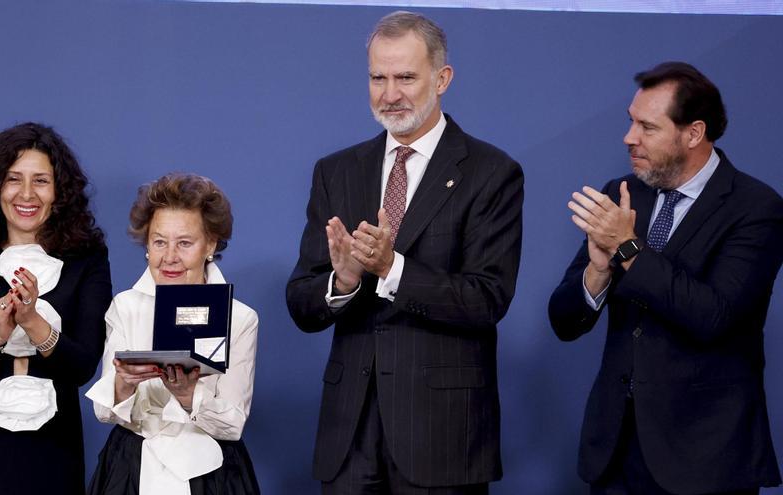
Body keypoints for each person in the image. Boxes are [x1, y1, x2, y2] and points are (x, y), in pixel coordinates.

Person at [286, 11, 523, 494]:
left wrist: (390, 268)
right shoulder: (337, 171)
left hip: (441, 439)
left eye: (405, 77)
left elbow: (486, 299)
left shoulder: (491, 172)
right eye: (378, 77)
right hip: (349, 438)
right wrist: (345, 281)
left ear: (442, 78)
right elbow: (303, 304)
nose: (389, 93)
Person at [548, 61, 783, 494]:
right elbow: (564, 322)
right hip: (615, 452)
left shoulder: (755, 208)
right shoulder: (622, 193)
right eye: (630, 122)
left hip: (704, 458)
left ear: (693, 133)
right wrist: (598, 272)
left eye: (647, 127)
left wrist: (628, 249)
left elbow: (713, 315)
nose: (629, 138)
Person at [0, 122, 112, 494]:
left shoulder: (88, 261)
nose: (26, 194)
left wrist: (32, 322)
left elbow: (82, 367)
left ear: (59, 191)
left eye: (41, 181)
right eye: (14, 179)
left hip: (51, 453)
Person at [86, 173, 259, 495]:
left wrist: (187, 396)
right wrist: (122, 385)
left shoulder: (240, 318)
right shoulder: (126, 306)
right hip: (130, 468)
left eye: (184, 243)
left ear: (210, 244)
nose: (169, 258)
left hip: (209, 473)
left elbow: (233, 423)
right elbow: (103, 411)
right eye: (159, 242)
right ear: (147, 245)